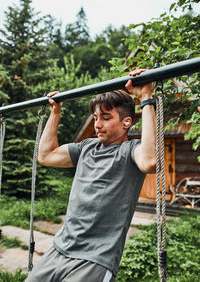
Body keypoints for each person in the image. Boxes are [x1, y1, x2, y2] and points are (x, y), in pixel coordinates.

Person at [26, 69, 157, 282]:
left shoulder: (130, 152)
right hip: (60, 248)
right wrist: (55, 114)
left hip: (95, 259)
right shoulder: (86, 147)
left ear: (126, 123)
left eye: (105, 118)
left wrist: (146, 98)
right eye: (96, 117)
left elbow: (150, 161)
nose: (97, 125)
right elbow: (46, 155)